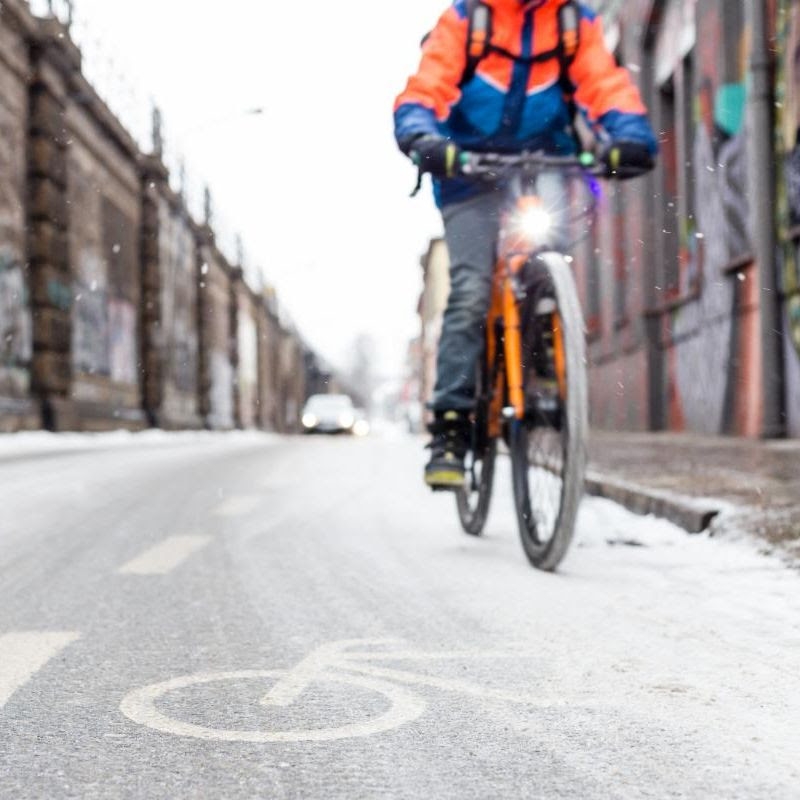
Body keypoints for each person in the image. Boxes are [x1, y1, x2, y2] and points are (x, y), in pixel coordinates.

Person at [393, 0, 657, 489]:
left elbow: (606, 85)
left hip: (541, 165)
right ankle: (450, 427)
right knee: (472, 287)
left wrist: (631, 135)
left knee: (547, 261)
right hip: (465, 170)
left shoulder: (572, 22)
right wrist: (420, 134)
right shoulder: (467, 20)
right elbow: (426, 89)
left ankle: (545, 375)